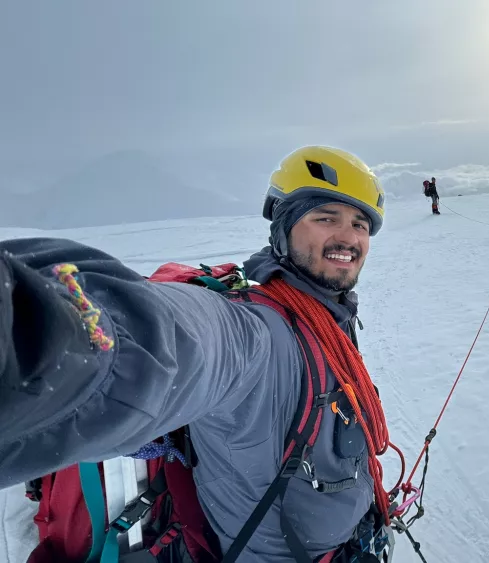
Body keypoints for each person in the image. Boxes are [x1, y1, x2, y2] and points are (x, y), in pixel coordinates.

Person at [0, 146, 395, 562]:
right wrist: (39, 331)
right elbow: (160, 339)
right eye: (326, 217)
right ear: (283, 226)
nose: (349, 237)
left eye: (360, 223)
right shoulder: (256, 333)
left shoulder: (327, 319)